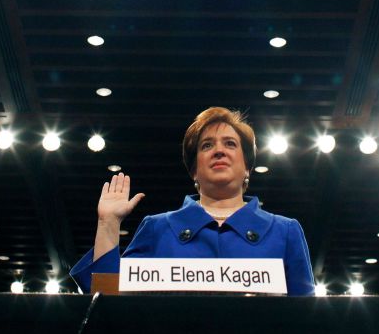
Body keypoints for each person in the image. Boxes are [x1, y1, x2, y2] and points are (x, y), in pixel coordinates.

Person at [70, 107, 315, 296]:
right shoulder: (157, 229)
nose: (219, 151)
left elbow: (308, 321)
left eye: (230, 144)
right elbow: (108, 301)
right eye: (207, 145)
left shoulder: (286, 231)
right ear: (194, 171)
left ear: (247, 167)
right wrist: (108, 224)